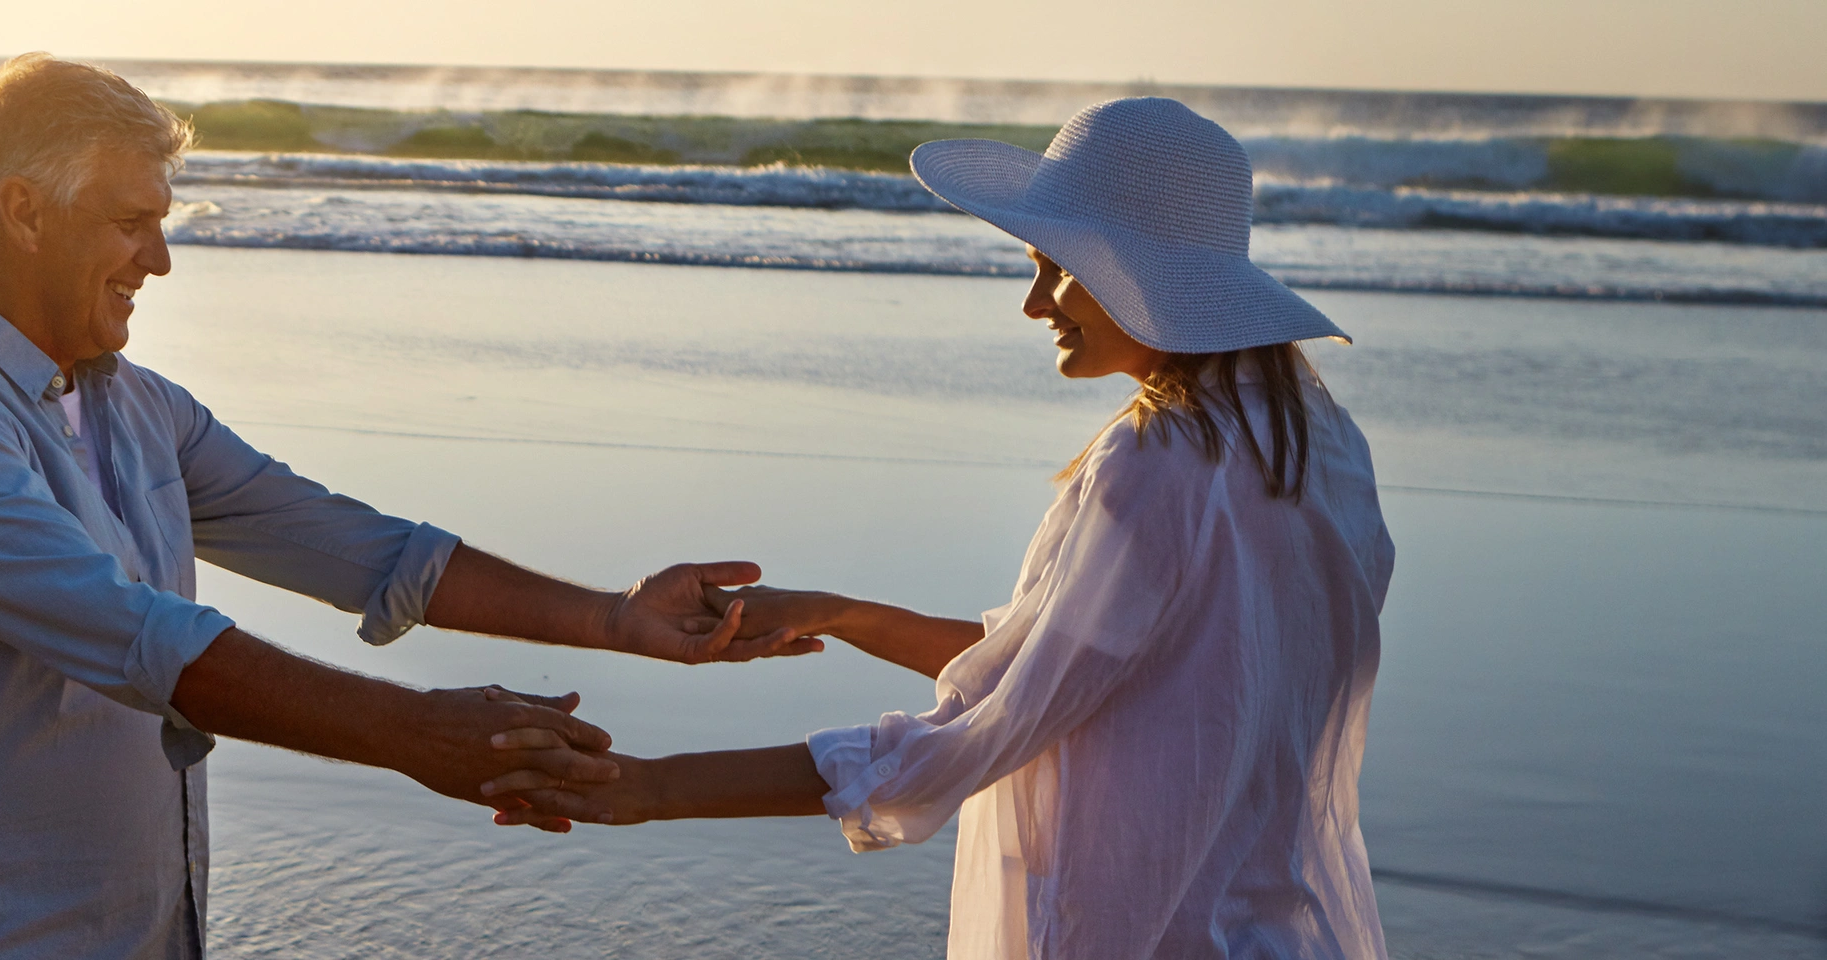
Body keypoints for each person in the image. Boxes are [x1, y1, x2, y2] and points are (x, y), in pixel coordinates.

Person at [0, 53, 817, 960]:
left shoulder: (138, 405)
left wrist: (612, 617)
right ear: (22, 210)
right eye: (129, 224)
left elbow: (357, 549)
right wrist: (418, 735)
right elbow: (143, 643)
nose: (156, 262)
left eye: (160, 224)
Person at [486, 96, 1397, 959]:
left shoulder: (1159, 463)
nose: (1036, 303)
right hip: (1279, 926)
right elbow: (1077, 667)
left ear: (1144, 273)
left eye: (1061, 268)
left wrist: (651, 788)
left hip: (1149, 927)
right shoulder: (1317, 450)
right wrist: (838, 614)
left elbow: (990, 724)